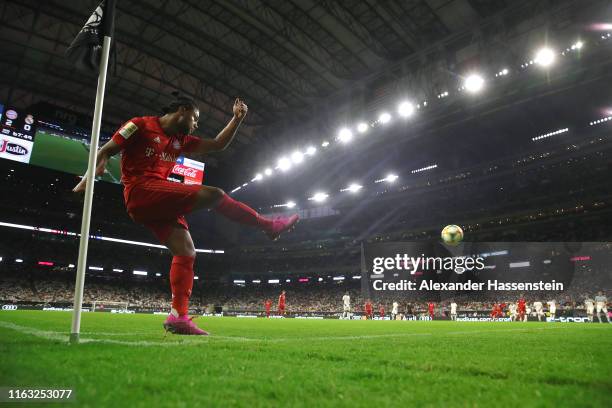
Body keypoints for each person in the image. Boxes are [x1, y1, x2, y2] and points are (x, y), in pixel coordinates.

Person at [73, 93, 299, 335]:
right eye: (195, 118)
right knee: (214, 195)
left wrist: (237, 120)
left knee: (187, 252)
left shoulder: (181, 140)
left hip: (157, 200)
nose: (196, 124)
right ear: (182, 110)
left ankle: (178, 316)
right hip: (140, 192)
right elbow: (106, 149)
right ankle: (267, 225)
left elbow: (217, 144)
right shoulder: (139, 125)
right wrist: (88, 179)